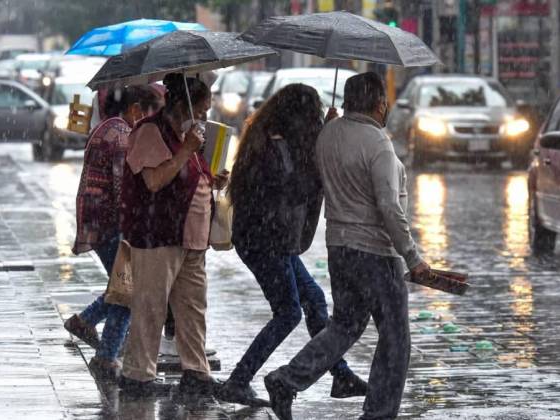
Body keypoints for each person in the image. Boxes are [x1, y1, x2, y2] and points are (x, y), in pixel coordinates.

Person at [263, 72, 430, 420]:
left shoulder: (328, 135)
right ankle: (379, 412)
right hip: (375, 252)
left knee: (344, 326)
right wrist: (413, 257)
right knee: (395, 338)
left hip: (339, 249)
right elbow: (388, 206)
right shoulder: (378, 143)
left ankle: (287, 379)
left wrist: (329, 128)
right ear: (379, 103)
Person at [217, 84, 367, 406]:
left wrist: (325, 134)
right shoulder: (271, 146)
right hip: (264, 242)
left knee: (313, 298)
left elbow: (298, 178)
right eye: (311, 113)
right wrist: (320, 157)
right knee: (288, 313)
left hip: (272, 240)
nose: (314, 118)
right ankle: (239, 380)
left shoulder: (278, 139)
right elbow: (293, 189)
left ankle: (339, 375)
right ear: (297, 115)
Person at [118, 73, 228, 397]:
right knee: (150, 306)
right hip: (158, 235)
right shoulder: (150, 132)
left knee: (192, 309)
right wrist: (187, 150)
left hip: (192, 239)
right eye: (202, 110)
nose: (205, 117)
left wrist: (212, 180)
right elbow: (154, 181)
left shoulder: (187, 135)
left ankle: (196, 371)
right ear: (183, 105)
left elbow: (189, 175)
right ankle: (138, 375)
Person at [65, 85, 164, 379]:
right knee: (129, 290)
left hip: (100, 221)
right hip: (111, 224)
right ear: (135, 109)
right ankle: (106, 354)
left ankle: (85, 322)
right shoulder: (121, 135)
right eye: (148, 114)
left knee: (123, 285)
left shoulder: (107, 127)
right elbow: (124, 189)